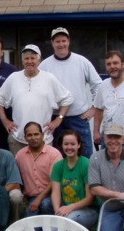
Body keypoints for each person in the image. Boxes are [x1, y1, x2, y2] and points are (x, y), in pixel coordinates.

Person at [0, 44, 73, 155]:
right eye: (26, 58)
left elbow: (68, 98)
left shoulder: (49, 78)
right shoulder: (14, 78)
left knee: (43, 172)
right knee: (19, 172)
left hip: (44, 139)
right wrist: (5, 120)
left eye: (33, 58)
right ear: (22, 60)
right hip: (18, 139)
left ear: (39, 60)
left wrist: (59, 119)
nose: (29, 61)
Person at [39, 27, 102, 157]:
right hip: (55, 120)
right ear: (52, 43)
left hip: (78, 119)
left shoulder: (82, 62)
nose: (61, 44)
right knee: (57, 158)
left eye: (63, 40)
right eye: (57, 41)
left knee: (85, 157)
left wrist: (94, 108)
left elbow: (98, 85)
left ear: (69, 41)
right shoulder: (45, 65)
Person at [50, 129, 99, 231]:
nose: (69, 147)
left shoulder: (86, 164)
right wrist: (57, 212)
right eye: (66, 144)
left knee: (67, 221)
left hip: (88, 209)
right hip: (67, 208)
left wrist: (70, 208)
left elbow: (90, 198)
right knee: (56, 221)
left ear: (79, 145)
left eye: (73, 144)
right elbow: (55, 192)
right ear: (62, 146)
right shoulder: (58, 166)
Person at [15, 122, 62, 216]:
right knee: (32, 228)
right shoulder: (20, 155)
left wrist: (39, 199)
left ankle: (55, 224)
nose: (33, 138)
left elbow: (55, 181)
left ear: (42, 135)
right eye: (29, 135)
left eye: (36, 134)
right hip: (32, 198)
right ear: (25, 138)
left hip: (53, 195)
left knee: (45, 205)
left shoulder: (54, 154)